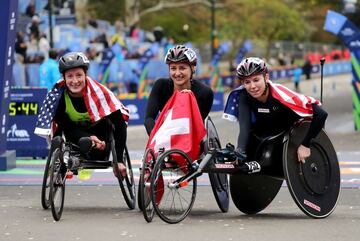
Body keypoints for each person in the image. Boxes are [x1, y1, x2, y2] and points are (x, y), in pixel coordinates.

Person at [34, 52, 129, 178]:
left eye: (79, 75)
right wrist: (59, 155)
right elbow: (63, 126)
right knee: (68, 135)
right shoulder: (58, 97)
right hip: (77, 139)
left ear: (85, 75)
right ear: (64, 78)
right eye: (70, 76)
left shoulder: (101, 94)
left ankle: (89, 144)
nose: (75, 81)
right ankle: (68, 158)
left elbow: (119, 123)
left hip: (102, 141)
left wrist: (120, 161)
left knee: (95, 136)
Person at [223, 57, 328, 169]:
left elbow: (321, 114)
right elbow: (245, 127)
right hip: (265, 136)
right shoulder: (244, 95)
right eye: (247, 82)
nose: (252, 86)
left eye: (256, 80)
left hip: (289, 139)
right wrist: (240, 152)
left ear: (266, 77)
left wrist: (305, 145)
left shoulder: (281, 95)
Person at [144, 45, 214, 136]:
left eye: (182, 68)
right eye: (173, 68)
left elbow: (197, 126)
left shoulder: (205, 93)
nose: (177, 73)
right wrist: (157, 138)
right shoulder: (160, 86)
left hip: (190, 138)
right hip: (164, 137)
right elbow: (149, 118)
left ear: (193, 68)